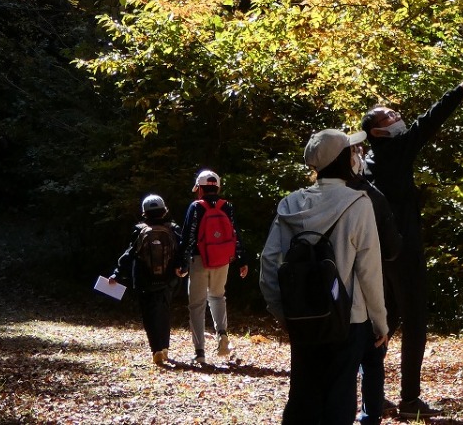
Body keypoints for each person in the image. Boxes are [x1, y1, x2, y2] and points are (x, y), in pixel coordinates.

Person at [360, 66, 463, 418]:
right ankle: (410, 400)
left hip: (380, 251)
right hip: (404, 249)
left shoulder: (369, 160)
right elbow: (430, 121)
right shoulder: (394, 150)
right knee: (413, 321)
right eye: (390, 116)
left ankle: (373, 396)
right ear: (377, 131)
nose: (398, 117)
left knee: (384, 321)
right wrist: (462, 88)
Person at [260, 128, 389, 425]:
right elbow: (369, 270)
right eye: (351, 151)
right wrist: (379, 321)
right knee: (340, 398)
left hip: (302, 317)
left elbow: (268, 262)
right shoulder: (358, 203)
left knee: (303, 395)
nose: (357, 156)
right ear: (342, 160)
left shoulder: (290, 204)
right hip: (349, 319)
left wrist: (281, 311)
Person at [349, 147, 402, 425]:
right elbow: (392, 249)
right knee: (372, 356)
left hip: (321, 298)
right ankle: (370, 416)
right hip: (365, 295)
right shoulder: (371, 197)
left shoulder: (303, 200)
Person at [176, 169, 249, 365]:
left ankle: (200, 352)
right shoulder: (228, 206)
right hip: (222, 260)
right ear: (217, 186)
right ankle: (222, 335)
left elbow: (188, 237)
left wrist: (182, 263)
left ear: (200, 188)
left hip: (199, 260)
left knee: (197, 305)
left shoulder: (196, 206)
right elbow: (235, 233)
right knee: (217, 296)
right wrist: (241, 259)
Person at [109, 193, 182, 367]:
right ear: (164, 211)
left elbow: (129, 254)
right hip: (168, 279)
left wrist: (117, 273)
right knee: (164, 311)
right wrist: (183, 268)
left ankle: (155, 348)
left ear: (144, 212)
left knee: (148, 314)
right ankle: (165, 348)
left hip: (144, 280)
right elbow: (182, 251)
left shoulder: (139, 230)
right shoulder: (173, 228)